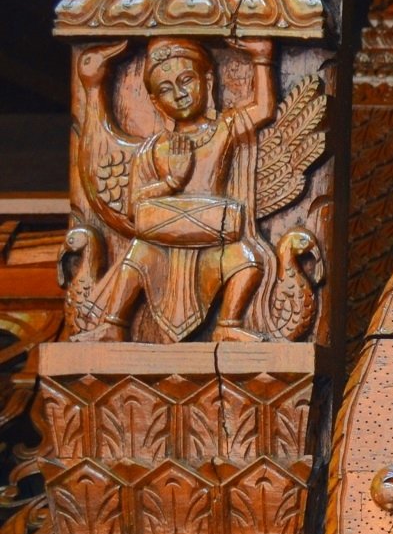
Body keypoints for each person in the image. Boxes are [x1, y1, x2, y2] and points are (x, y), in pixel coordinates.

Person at [73, 37, 275, 341]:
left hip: (213, 240)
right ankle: (113, 324)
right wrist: (170, 182)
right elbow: (133, 207)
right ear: (155, 101)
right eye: (166, 89)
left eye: (186, 80)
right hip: (162, 243)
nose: (179, 94)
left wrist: (262, 60)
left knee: (246, 259)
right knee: (137, 256)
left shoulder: (223, 129)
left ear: (207, 80)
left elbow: (263, 110)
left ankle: (228, 325)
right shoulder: (153, 149)